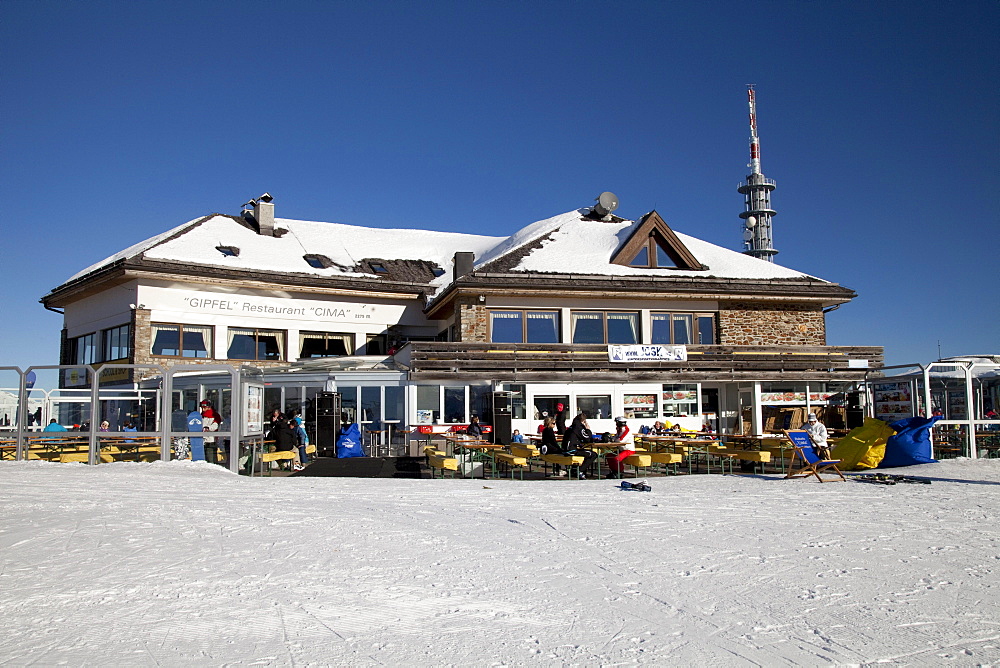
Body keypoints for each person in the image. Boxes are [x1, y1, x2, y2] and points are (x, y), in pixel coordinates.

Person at [562, 413, 597, 479]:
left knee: (586, 453)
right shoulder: (578, 427)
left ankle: (579, 470)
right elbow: (587, 439)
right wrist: (588, 429)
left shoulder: (572, 426)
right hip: (571, 450)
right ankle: (580, 471)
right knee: (593, 454)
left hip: (566, 449)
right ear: (583, 421)